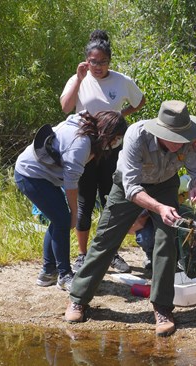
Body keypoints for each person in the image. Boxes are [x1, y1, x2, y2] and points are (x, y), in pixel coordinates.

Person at [64, 100, 196, 338]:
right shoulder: (136, 135)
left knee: (166, 242)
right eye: (174, 137)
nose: (179, 143)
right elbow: (131, 188)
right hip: (127, 186)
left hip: (165, 185)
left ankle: (162, 309)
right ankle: (78, 299)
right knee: (105, 240)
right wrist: (159, 207)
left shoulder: (187, 139)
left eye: (182, 137)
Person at [60, 29, 146, 274]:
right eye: (93, 62)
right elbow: (66, 107)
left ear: (110, 61)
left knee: (112, 202)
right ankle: (82, 255)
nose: (97, 67)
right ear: (86, 60)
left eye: (103, 62)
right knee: (85, 204)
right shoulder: (79, 78)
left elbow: (140, 101)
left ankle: (111, 253)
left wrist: (120, 116)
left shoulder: (121, 81)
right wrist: (78, 78)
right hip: (84, 151)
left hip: (111, 152)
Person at [14, 111, 127, 291]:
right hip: (30, 175)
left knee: (58, 219)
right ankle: (64, 275)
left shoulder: (88, 131)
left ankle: (47, 273)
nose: (116, 143)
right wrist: (74, 213)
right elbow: (71, 184)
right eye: (116, 138)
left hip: (45, 176)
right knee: (63, 221)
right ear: (108, 133)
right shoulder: (80, 145)